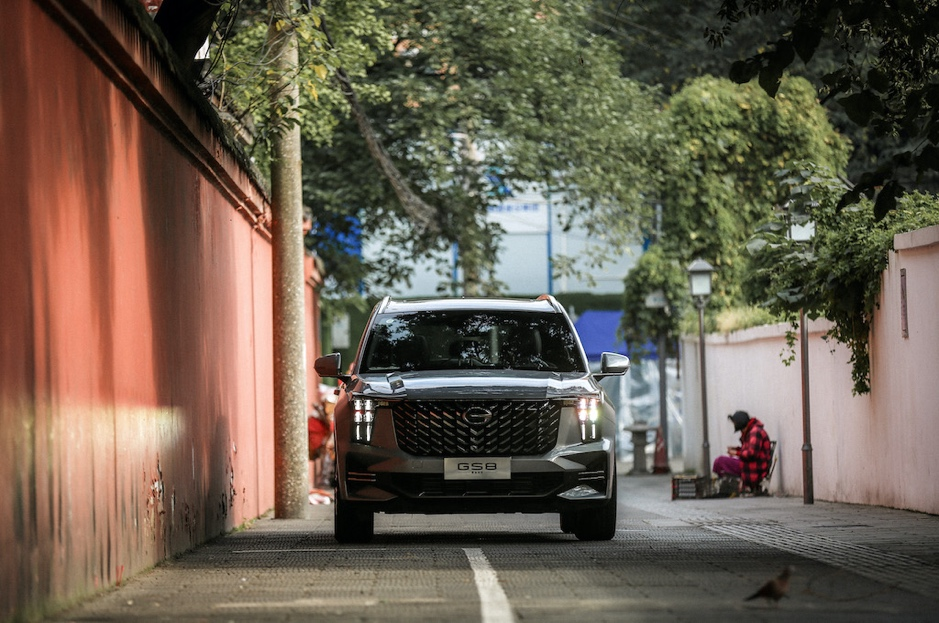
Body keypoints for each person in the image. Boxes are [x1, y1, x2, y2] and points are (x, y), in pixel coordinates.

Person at [712, 410, 772, 494]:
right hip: (751, 465)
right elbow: (750, 450)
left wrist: (736, 453)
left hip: (753, 468)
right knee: (720, 461)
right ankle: (721, 486)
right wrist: (737, 449)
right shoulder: (753, 431)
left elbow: (751, 454)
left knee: (720, 461)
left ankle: (717, 487)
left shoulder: (755, 432)